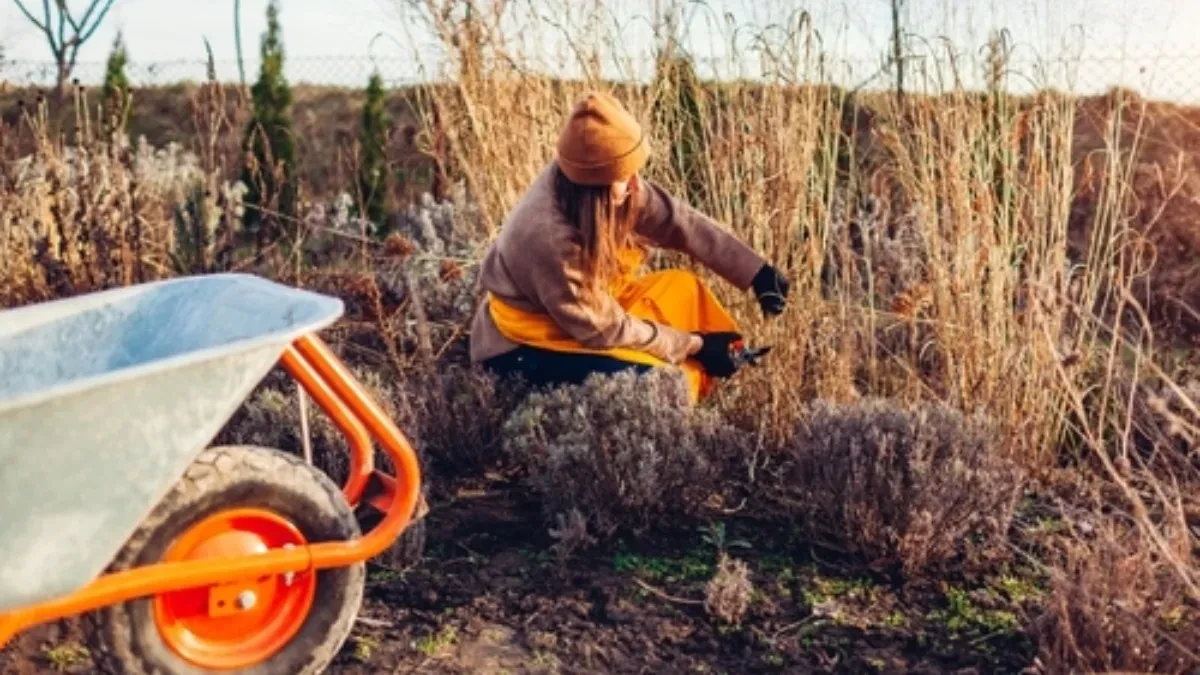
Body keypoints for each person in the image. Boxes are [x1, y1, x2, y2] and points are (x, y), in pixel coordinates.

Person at [468, 90, 790, 402]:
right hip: (523, 348)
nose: (637, 185)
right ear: (594, 193)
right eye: (626, 177)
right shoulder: (551, 240)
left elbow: (678, 222)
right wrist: (695, 345)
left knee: (684, 289)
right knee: (659, 384)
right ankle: (683, 394)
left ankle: (710, 364)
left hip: (589, 314)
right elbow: (605, 329)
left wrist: (757, 272)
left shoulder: (600, 181)